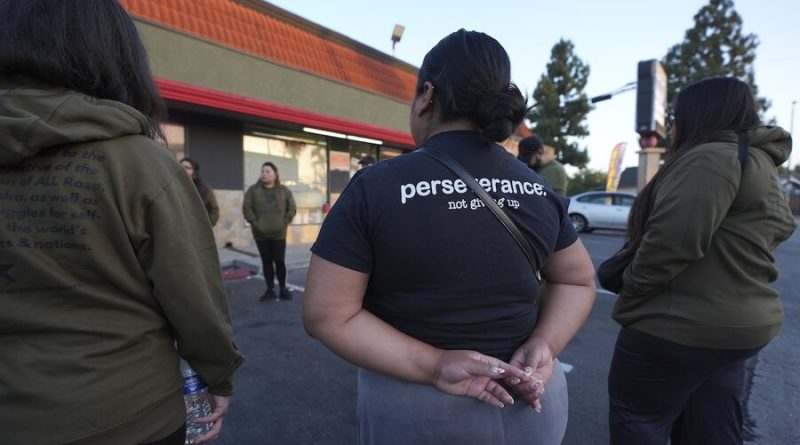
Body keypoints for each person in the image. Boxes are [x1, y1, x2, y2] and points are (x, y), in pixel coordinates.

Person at [303, 29, 596, 445]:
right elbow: (577, 279)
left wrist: (436, 364)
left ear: (426, 95)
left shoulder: (377, 186)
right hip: (533, 402)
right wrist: (545, 344)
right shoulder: (535, 186)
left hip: (418, 411)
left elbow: (327, 314)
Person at [0, 1, 244, 445]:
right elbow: (194, 299)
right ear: (110, 52)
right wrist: (218, 376)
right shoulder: (138, 163)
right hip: (130, 413)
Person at [608, 77, 796, 445]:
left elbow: (672, 243)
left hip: (676, 328)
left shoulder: (710, 158)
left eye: (676, 115)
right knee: (711, 425)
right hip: (739, 329)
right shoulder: (758, 163)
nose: (672, 126)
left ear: (699, 114)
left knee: (639, 419)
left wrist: (631, 291)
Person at [243, 162, 297, 302]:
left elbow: (292, 208)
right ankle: (270, 290)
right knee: (266, 262)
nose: (264, 174)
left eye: (267, 171)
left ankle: (283, 288)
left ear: (275, 173)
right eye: (262, 171)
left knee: (279, 261)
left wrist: (284, 222)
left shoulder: (284, 191)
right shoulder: (253, 191)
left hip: (279, 234)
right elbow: (247, 208)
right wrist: (255, 223)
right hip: (261, 235)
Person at [180, 157, 220, 226]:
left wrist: (205, 227)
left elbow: (214, 211)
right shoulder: (170, 186)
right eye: (180, 166)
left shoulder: (205, 190)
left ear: (194, 173)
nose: (183, 169)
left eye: (187, 167)